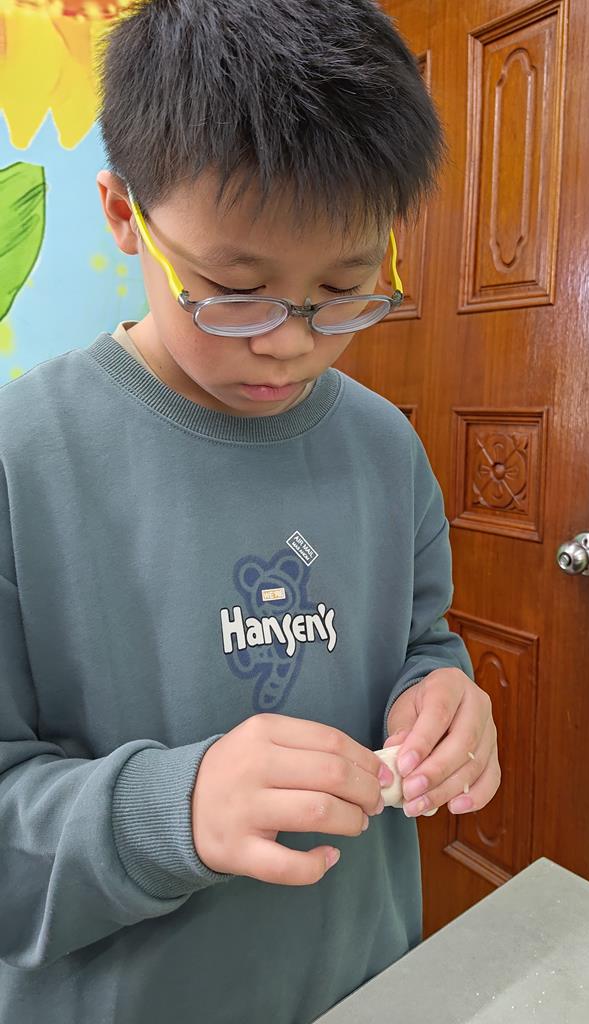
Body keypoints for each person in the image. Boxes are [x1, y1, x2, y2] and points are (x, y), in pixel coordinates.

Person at [0, 1, 500, 1021]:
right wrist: (171, 812)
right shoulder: (23, 459)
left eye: (345, 288)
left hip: (364, 983)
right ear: (123, 212)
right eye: (233, 290)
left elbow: (418, 643)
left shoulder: (385, 449)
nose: (289, 341)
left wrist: (442, 697)